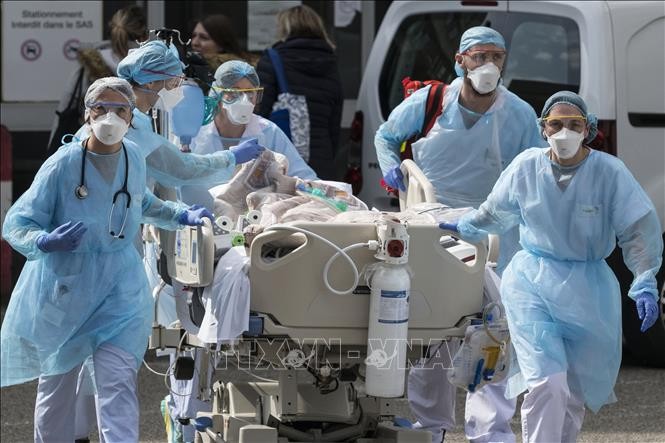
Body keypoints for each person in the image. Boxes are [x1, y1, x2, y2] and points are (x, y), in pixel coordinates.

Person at [0, 77, 216, 442]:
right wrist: (44, 240)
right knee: (58, 390)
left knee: (116, 382)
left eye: (121, 109)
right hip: (67, 289)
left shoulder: (132, 156)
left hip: (120, 289)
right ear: (87, 113)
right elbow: (17, 222)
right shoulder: (63, 164)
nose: (110, 117)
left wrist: (179, 215)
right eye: (102, 108)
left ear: (133, 117)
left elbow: (140, 203)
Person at [70, 39, 264, 442]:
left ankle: (78, 432)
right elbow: (179, 169)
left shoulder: (137, 123)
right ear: (154, 81)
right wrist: (233, 159)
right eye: (173, 80)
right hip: (104, 257)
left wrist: (176, 213)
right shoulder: (131, 128)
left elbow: (147, 191)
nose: (179, 87)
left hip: (110, 253)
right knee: (111, 366)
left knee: (95, 365)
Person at [443, 90, 662, 442]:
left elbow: (637, 230)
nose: (564, 132)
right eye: (556, 124)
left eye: (574, 125)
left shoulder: (609, 173)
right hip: (532, 283)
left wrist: (645, 279)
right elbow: (496, 211)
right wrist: (467, 226)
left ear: (588, 130)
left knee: (572, 393)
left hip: (588, 291)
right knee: (547, 383)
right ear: (543, 128)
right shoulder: (527, 166)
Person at [375, 26, 545, 442]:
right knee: (434, 324)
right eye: (479, 55)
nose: (488, 65)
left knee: (494, 326)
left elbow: (532, 172)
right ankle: (430, 425)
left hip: (493, 229)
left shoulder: (519, 114)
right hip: (433, 219)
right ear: (460, 60)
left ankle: (490, 428)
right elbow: (387, 135)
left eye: (496, 57)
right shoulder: (432, 102)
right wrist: (391, 168)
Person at [256, 5, 344, 180]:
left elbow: (259, 115)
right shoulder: (331, 63)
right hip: (321, 159)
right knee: (318, 206)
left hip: (282, 162)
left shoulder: (273, 60)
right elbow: (334, 123)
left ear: (286, 28)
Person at [49, 5, 148, 150]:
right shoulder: (151, 71)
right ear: (144, 36)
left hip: (90, 152)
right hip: (137, 153)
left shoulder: (87, 67)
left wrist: (52, 150)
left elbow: (64, 110)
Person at [191, 14, 258, 71]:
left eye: (204, 38)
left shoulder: (238, 73)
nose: (194, 43)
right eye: (193, 36)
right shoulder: (186, 66)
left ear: (221, 45)